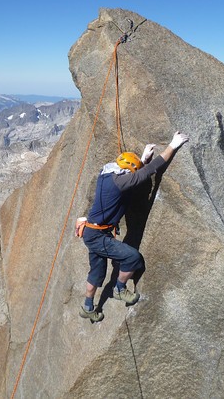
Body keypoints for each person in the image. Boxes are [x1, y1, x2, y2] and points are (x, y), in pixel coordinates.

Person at [79, 131, 189, 322]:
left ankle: (88, 307)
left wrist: (142, 159)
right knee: (132, 257)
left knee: (96, 273)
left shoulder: (106, 174)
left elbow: (135, 174)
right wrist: (173, 145)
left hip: (92, 232)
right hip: (99, 236)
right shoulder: (121, 181)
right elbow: (149, 171)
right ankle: (119, 289)